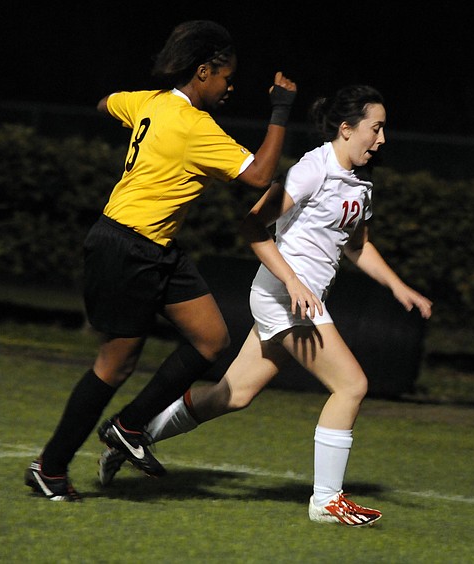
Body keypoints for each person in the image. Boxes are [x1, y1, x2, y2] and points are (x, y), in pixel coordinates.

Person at [98, 84, 433, 526]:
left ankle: (128, 436)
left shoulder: (359, 183)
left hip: (295, 298)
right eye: (377, 128)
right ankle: (327, 501)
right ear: (347, 129)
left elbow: (356, 246)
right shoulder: (313, 169)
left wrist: (398, 286)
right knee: (351, 385)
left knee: (231, 395)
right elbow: (253, 226)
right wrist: (293, 282)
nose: (382, 139)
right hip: (285, 296)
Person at [24, 20, 297, 501]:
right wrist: (280, 109)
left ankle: (129, 427)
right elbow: (259, 175)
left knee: (212, 340)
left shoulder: (150, 103)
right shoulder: (195, 126)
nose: (230, 86)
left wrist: (138, 123)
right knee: (116, 363)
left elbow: (106, 102)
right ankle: (51, 467)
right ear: (203, 71)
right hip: (126, 245)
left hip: (155, 248)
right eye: (226, 77)